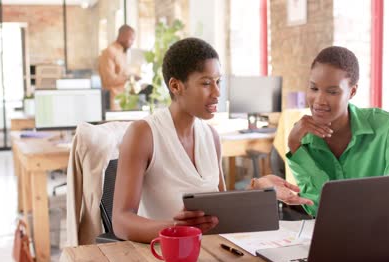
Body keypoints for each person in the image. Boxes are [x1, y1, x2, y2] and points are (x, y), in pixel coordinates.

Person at [112, 38, 313, 243]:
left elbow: (221, 213)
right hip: (164, 253)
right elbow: (121, 221)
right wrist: (176, 229)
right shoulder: (143, 134)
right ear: (175, 85)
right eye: (206, 83)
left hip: (210, 249)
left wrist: (258, 189)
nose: (217, 93)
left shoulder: (211, 137)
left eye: (218, 82)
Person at [286, 46, 389, 216]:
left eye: (332, 91)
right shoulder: (303, 138)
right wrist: (294, 146)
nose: (319, 101)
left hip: (381, 230)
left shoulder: (386, 126)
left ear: (352, 91)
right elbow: (316, 207)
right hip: (332, 234)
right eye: (314, 89)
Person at [98, 24, 136, 110]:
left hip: (123, 100)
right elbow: (108, 80)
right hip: (113, 101)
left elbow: (122, 73)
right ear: (122, 36)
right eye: (131, 39)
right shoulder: (109, 52)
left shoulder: (122, 52)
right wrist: (129, 77)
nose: (132, 42)